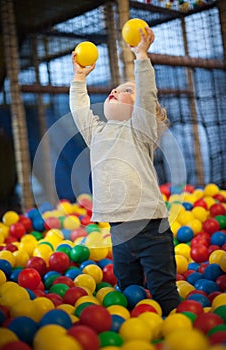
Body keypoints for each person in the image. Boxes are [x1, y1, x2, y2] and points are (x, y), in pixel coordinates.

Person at [69, 25, 181, 316]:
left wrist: (141, 57)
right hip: (118, 232)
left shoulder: (139, 130)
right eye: (115, 89)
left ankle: (174, 324)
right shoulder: (97, 133)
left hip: (150, 229)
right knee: (127, 291)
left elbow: (146, 96)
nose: (116, 90)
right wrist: (79, 78)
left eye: (126, 90)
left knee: (163, 291)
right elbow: (80, 110)